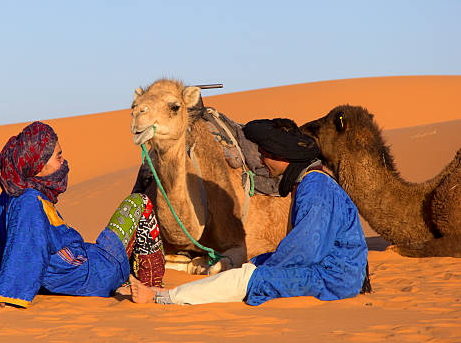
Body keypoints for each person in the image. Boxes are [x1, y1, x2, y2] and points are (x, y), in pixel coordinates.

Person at [130, 118, 369, 306]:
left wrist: (262, 272)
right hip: (328, 273)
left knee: (246, 279)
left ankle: (161, 297)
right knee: (245, 268)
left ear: (280, 157)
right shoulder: (312, 184)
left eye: (265, 154)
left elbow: (305, 248)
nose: (261, 160)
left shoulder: (315, 187)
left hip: (331, 280)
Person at [0, 121, 164, 311]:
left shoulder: (11, 194)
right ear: (38, 166)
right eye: (58, 156)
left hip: (80, 269)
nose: (63, 162)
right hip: (98, 273)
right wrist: (6, 301)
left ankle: (130, 281)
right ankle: (150, 286)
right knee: (139, 202)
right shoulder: (30, 202)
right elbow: (28, 249)